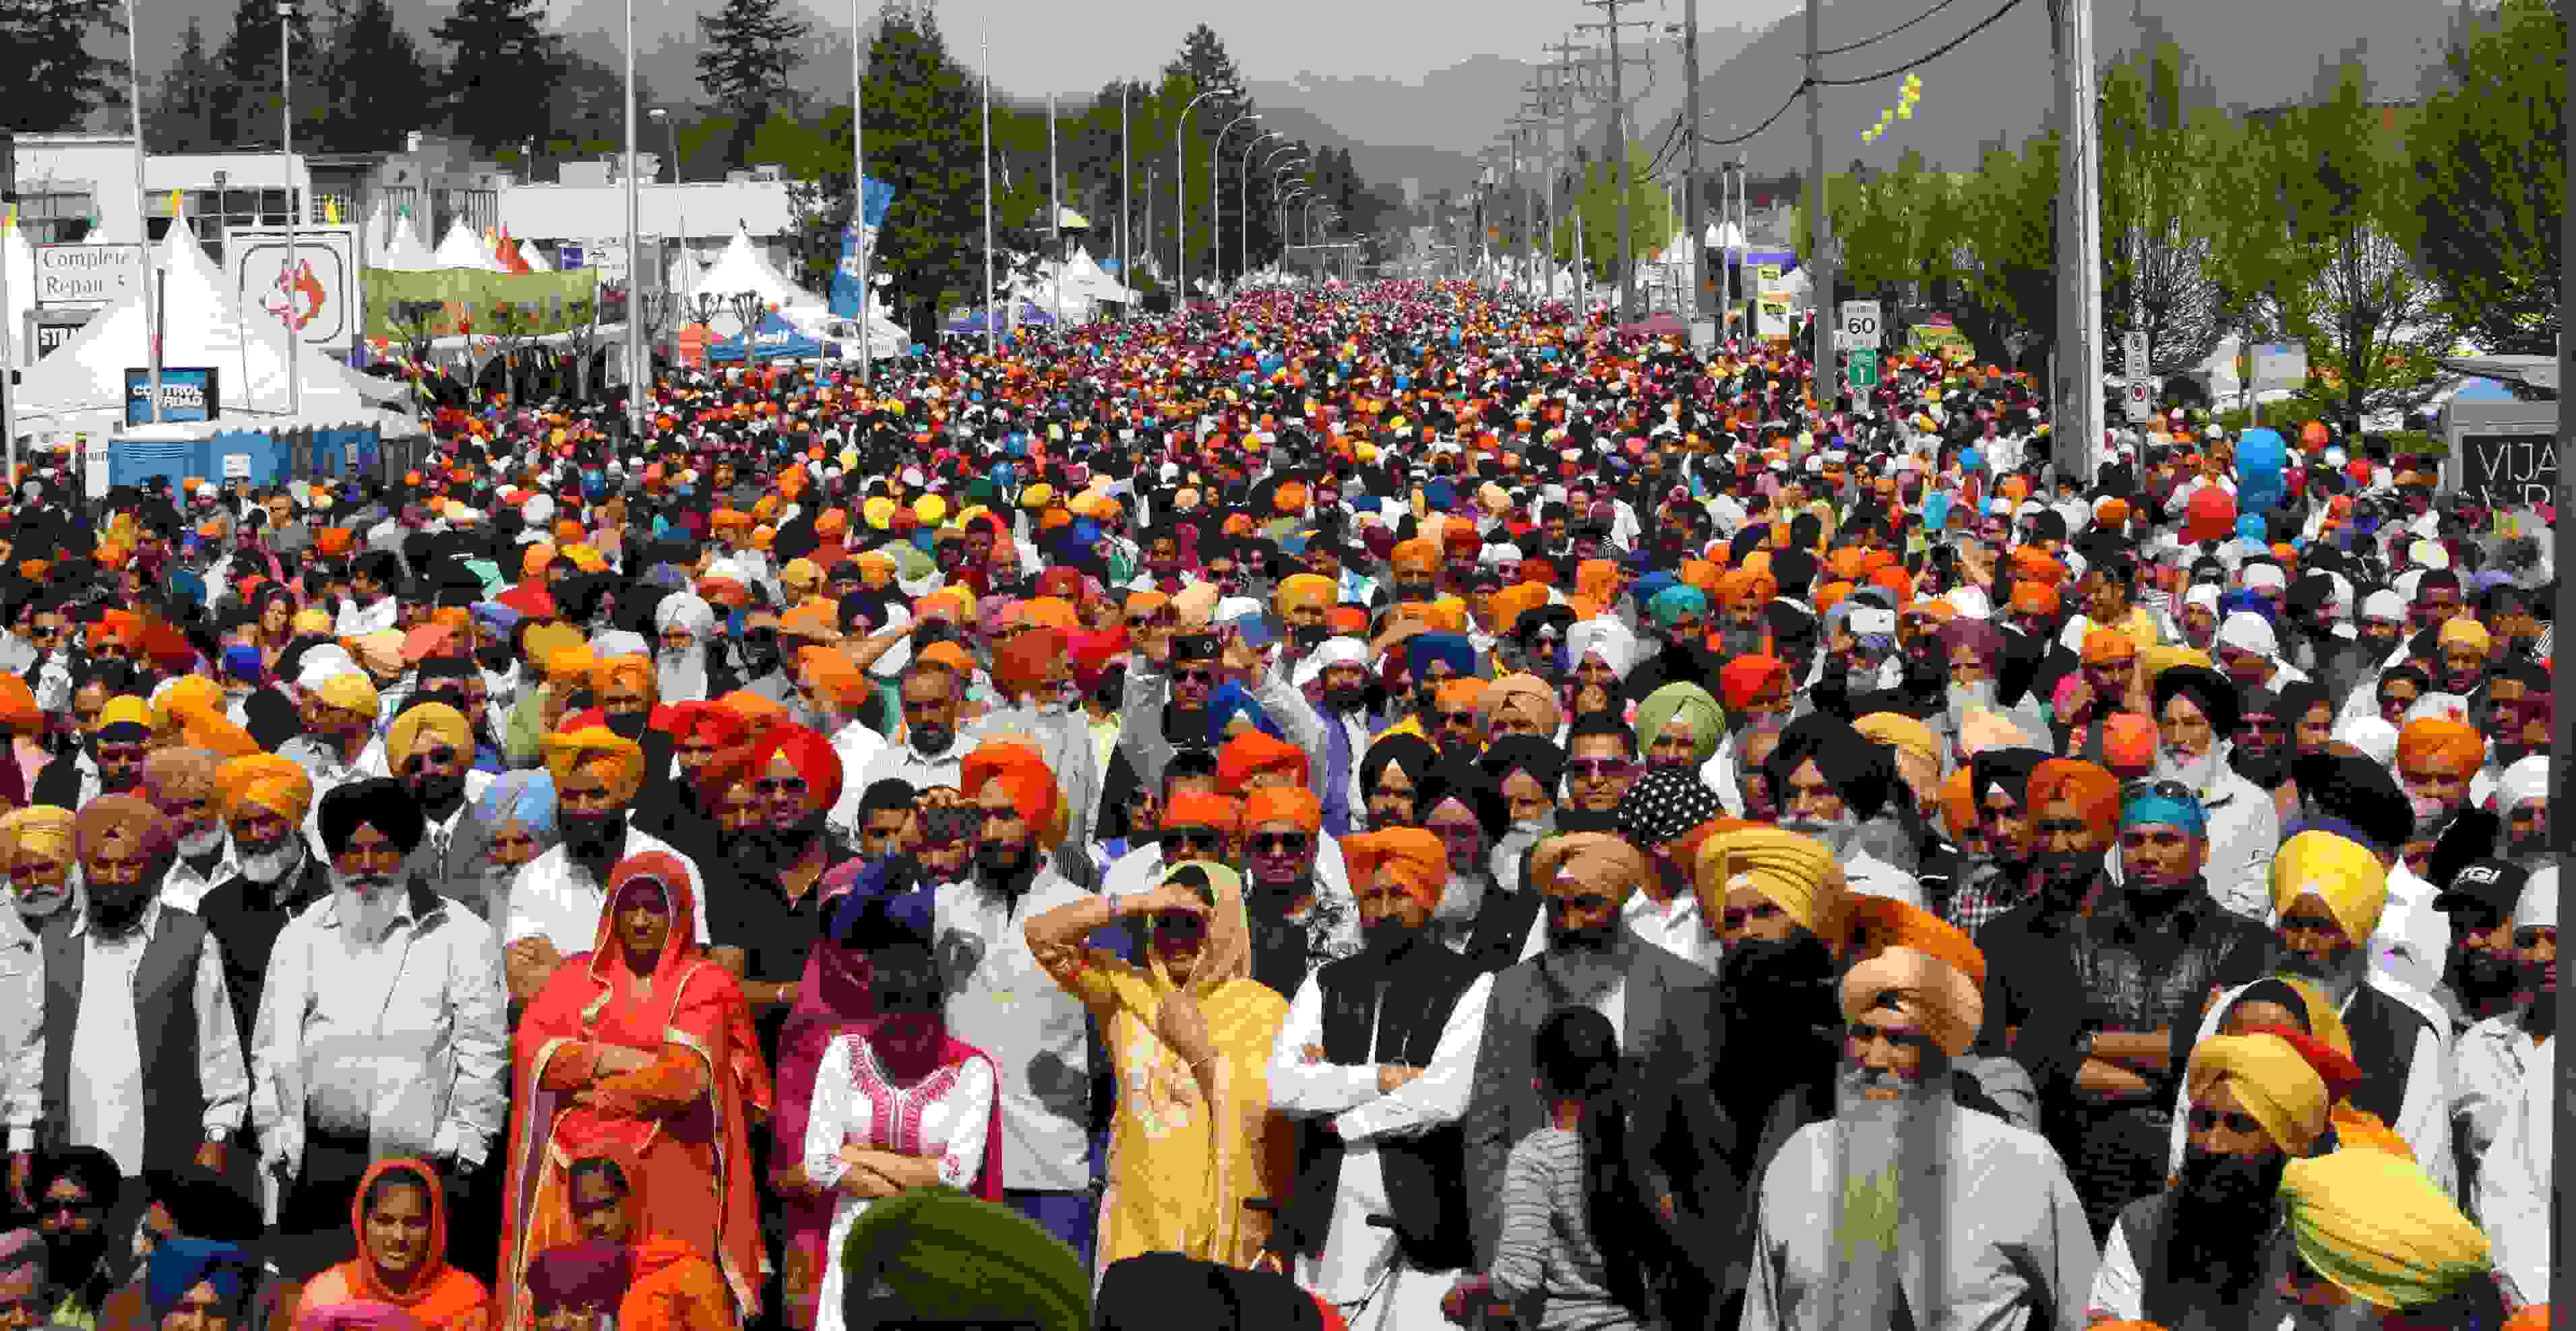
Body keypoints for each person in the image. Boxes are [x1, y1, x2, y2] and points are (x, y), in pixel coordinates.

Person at [1740, 920, 2096, 1330]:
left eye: (1898, 1039)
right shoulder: (1799, 1162)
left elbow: (2083, 1315)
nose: (1874, 1059)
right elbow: (1761, 1317)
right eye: (1863, 1034)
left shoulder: (2023, 1167)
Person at [498, 853, 769, 1328]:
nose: (641, 920)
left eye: (655, 907)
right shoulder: (576, 978)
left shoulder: (705, 982)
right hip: (575, 1179)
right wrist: (618, 1059)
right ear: (612, 911)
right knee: (577, 1304)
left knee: (670, 1300)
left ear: (681, 912)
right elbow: (536, 1052)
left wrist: (594, 1091)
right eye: (630, 906)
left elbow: (685, 1080)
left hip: (675, 1175)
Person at [249, 780, 506, 1279]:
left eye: (382, 849)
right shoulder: (300, 935)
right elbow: (269, 1046)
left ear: (408, 852)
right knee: (321, 1302)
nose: (366, 865)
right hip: (317, 1166)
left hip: (419, 1167)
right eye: (352, 851)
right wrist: (274, 1134)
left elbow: (483, 1051)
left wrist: (468, 1142)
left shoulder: (461, 934)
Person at [1264, 827, 1491, 1331]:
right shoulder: (1326, 982)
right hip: (1327, 1216)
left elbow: (1445, 1098)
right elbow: (1281, 1086)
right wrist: (1381, 1079)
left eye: (1399, 894)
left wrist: (1343, 1120)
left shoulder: (1473, 984)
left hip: (1427, 1219)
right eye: (1373, 895)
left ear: (1427, 900)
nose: (1384, 909)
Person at [1024, 859, 1294, 1273]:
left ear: (1223, 926)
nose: (1177, 938)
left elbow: (1263, 1132)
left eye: (1193, 923)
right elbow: (1042, 936)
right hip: (1134, 1223)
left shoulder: (1266, 1012)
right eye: (1165, 922)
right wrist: (1139, 901)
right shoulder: (1127, 990)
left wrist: (1197, 1047)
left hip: (1218, 1226)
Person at [22, 797, 248, 1182]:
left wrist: (218, 1134)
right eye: (101, 865)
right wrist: (19, 1141)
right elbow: (28, 1051)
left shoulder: (190, 938)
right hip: (67, 1163)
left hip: (165, 1160)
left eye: (127, 865)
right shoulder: (53, 940)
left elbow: (219, 1046)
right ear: (83, 869)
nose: (112, 877)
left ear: (153, 872)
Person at [796, 912, 1000, 1331]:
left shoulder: (972, 1071)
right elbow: (817, 1163)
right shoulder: (844, 1055)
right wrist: (919, 1176)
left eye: (916, 1022)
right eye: (893, 1021)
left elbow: (959, 1176)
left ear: (936, 1013)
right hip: (852, 1242)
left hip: (935, 1244)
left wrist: (857, 1155)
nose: (904, 1037)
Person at [1440, 1007, 1667, 1331]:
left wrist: (1465, 1290)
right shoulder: (1641, 1149)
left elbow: (1518, 1278)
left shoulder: (1537, 1158)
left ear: (1540, 1082)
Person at [500, 730, 711, 1005]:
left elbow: (687, 984)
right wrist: (636, 984)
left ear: (624, 799)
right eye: (571, 796)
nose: (582, 808)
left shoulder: (674, 869)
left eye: (596, 795)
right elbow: (525, 987)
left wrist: (564, 975)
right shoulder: (534, 878)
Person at [292, 1160, 490, 1331]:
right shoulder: (327, 1296)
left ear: (435, 1227)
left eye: (414, 1223)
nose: (398, 1237)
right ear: (362, 1224)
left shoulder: (465, 1301)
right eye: (383, 1221)